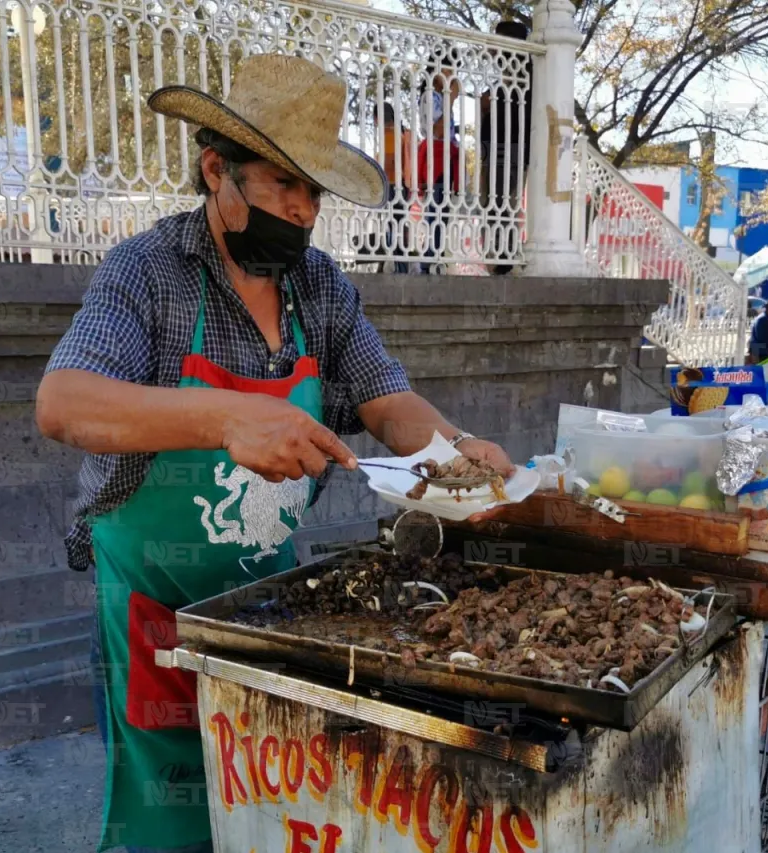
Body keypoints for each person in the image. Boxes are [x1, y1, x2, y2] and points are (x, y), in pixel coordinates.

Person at [35, 55, 513, 853]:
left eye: (313, 193)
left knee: (272, 808)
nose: (301, 210)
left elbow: (386, 398)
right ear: (215, 169)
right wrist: (225, 417)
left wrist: (456, 449)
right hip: (153, 607)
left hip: (268, 610)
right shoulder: (146, 272)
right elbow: (63, 403)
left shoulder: (320, 288)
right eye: (283, 184)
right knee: (171, 823)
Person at [479, 19, 532, 275]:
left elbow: (517, 114)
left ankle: (502, 260)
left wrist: (489, 106)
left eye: (497, 40)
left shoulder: (524, 76)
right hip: (497, 149)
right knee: (493, 204)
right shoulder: (508, 78)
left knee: (501, 204)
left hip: (508, 150)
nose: (492, 47)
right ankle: (498, 258)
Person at [416, 89, 461, 274]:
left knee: (441, 218)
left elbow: (456, 165)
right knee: (434, 217)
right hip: (434, 181)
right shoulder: (429, 144)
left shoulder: (450, 146)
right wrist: (420, 183)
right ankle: (430, 256)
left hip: (443, 182)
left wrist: (457, 187)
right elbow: (420, 162)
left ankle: (436, 253)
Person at [375, 103, 414, 273]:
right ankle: (399, 265)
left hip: (392, 185)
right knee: (398, 225)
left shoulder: (390, 134)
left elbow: (389, 162)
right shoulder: (400, 132)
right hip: (401, 186)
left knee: (394, 226)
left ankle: (399, 267)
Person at [747, 298, 768, 364]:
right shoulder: (763, 319)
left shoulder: (766, 318)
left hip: (760, 349)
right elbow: (762, 338)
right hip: (760, 350)